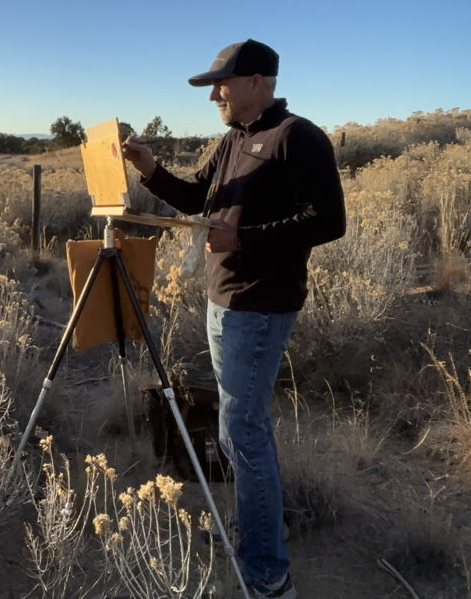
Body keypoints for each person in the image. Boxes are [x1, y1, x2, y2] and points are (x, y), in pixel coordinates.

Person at [123, 39, 346, 599]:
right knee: (236, 429)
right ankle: (261, 533)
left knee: (243, 433)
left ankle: (268, 573)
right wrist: (149, 169)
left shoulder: (298, 136)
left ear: (257, 82)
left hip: (261, 304)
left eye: (222, 83)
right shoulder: (232, 140)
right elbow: (199, 197)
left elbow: (327, 222)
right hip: (223, 300)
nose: (215, 95)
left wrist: (242, 237)